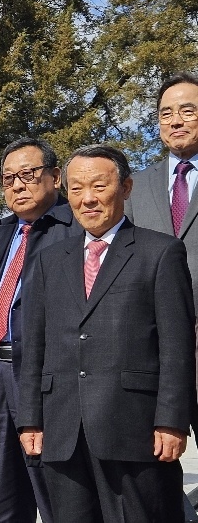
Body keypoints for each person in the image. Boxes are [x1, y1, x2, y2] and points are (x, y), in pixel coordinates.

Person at [18, 144, 195, 522]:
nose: (88, 199)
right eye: (77, 188)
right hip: (63, 431)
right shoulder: (51, 260)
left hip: (135, 429)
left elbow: (177, 345)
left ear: (126, 188)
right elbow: (34, 344)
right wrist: (30, 418)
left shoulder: (160, 253)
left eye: (99, 186)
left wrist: (172, 420)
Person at [0, 137, 80, 523]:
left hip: (42, 377)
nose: (18, 185)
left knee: (57, 491)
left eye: (28, 174)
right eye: (9, 178)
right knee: (5, 495)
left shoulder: (75, 230)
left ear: (55, 177)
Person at [125, 72, 198, 425]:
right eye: (166, 113)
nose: (176, 121)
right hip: (148, 351)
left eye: (187, 110)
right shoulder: (134, 186)